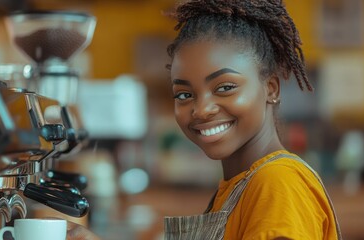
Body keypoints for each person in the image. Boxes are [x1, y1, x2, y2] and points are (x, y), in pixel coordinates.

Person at [68, 0, 342, 239]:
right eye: (184, 94)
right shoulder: (238, 185)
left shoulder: (278, 182)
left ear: (271, 88)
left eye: (224, 87)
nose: (201, 110)